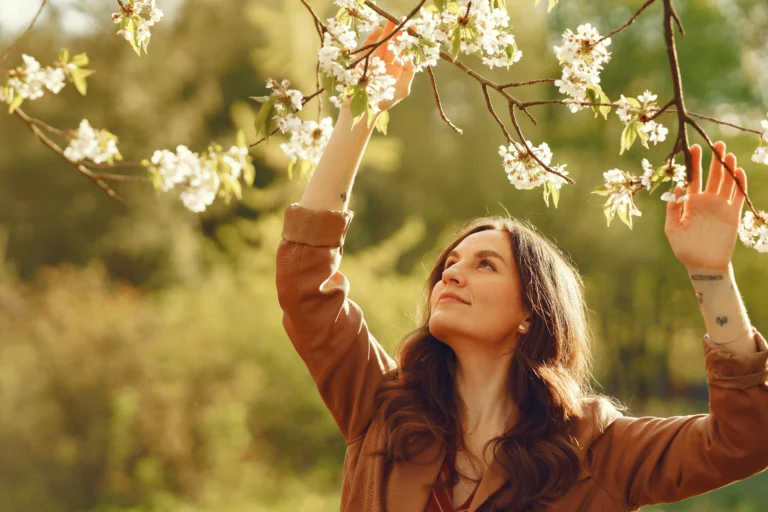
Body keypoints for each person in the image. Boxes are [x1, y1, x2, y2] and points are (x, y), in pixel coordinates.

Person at [275, 20, 768, 512]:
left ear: (531, 312)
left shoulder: (599, 451)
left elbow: (744, 439)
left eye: (485, 264)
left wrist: (711, 273)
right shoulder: (381, 407)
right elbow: (305, 285)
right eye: (450, 262)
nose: (451, 272)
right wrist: (359, 114)